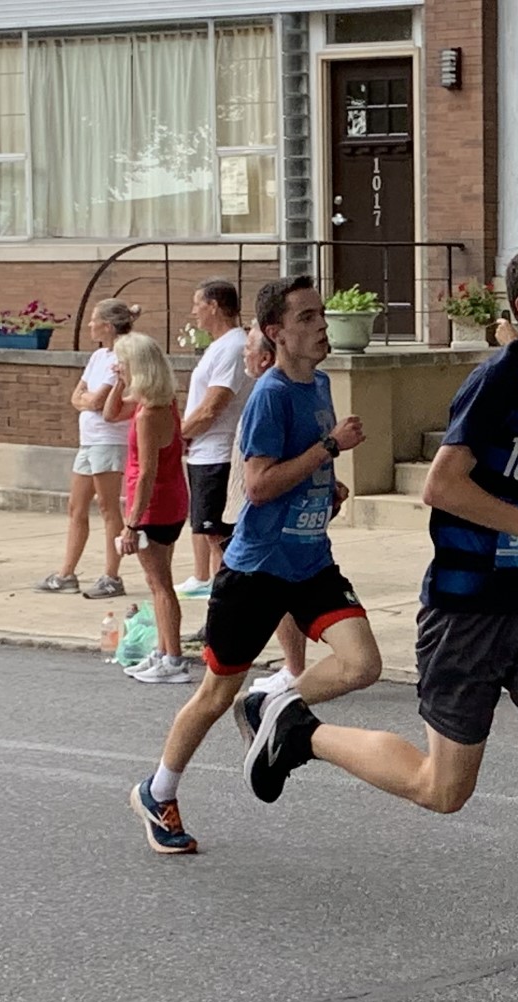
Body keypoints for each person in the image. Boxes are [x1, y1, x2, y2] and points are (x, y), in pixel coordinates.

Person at [236, 238, 518, 1002]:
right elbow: (442, 487)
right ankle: (299, 732)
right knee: (442, 790)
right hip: (467, 614)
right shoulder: (498, 379)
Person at [128, 276, 372, 854]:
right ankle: (157, 790)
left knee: (362, 663)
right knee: (215, 694)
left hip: (310, 560)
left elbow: (297, 468)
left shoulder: (320, 386)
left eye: (321, 315)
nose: (320, 325)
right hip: (257, 569)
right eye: (306, 317)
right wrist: (330, 450)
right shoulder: (269, 395)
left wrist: (325, 485)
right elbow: (257, 486)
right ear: (275, 332)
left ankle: (274, 704)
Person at [225, 323, 312, 698]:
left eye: (249, 348)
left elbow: (261, 484)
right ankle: (288, 667)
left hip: (271, 528)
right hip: (256, 512)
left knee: (277, 588)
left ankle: (292, 670)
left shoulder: (275, 394)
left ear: (265, 356)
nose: (244, 354)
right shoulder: (273, 392)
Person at [36, 299, 136, 600]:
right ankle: (66, 573)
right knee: (76, 507)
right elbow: (78, 396)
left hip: (108, 439)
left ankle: (112, 575)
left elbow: (98, 401)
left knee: (108, 508)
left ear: (108, 325)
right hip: (89, 440)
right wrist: (86, 400)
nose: (90, 325)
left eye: (95, 321)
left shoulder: (122, 355)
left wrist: (88, 400)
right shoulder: (97, 357)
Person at [105, 332, 190, 684]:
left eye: (123, 364)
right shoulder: (159, 402)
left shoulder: (148, 415)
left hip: (154, 506)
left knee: (159, 584)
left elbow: (146, 474)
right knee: (159, 581)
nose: (118, 368)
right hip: (172, 501)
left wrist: (131, 523)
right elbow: (110, 413)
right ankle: (165, 649)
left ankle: (174, 657)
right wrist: (118, 380)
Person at [173, 280, 253, 601]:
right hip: (204, 452)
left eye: (197, 304)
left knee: (219, 535)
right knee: (209, 533)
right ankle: (216, 589)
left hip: (218, 453)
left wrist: (177, 436)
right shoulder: (220, 346)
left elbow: (211, 407)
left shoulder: (233, 347)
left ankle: (226, 600)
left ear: (214, 306)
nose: (194, 312)